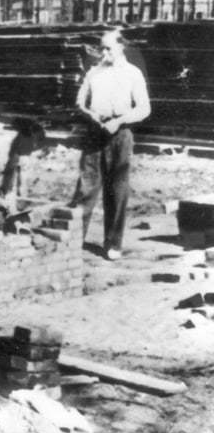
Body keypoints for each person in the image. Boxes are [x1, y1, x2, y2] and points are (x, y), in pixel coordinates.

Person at [71, 29, 151, 260]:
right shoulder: (93, 73)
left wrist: (119, 121)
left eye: (108, 48)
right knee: (86, 187)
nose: (104, 52)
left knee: (117, 189)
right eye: (101, 48)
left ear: (121, 47)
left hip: (121, 133)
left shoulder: (133, 74)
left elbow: (144, 108)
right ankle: (74, 240)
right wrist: (90, 115)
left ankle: (113, 244)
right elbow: (80, 102)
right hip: (95, 132)